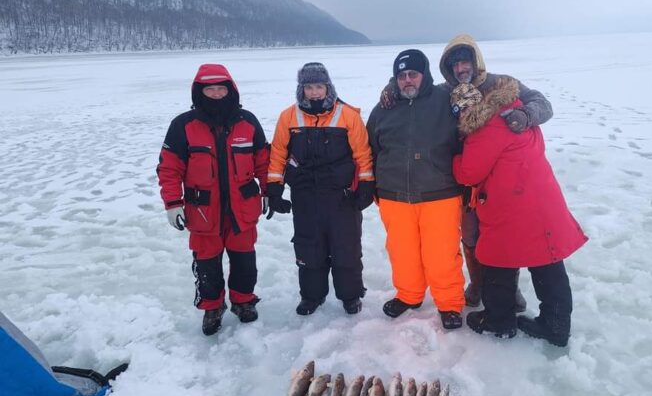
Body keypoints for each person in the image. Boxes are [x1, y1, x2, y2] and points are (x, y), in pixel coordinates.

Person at [381, 34, 553, 311]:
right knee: (470, 236)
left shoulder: (502, 84)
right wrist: (391, 87)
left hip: (502, 177)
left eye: (465, 62)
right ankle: (478, 284)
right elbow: (415, 88)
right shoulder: (445, 91)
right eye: (454, 65)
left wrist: (526, 116)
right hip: (463, 177)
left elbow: (543, 104)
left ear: (476, 60)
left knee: (503, 235)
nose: (460, 69)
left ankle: (510, 294)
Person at [451, 78, 588, 346]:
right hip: (542, 201)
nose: (463, 115)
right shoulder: (514, 112)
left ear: (476, 107)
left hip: (511, 208)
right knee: (547, 261)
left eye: (464, 110)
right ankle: (556, 325)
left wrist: (455, 157)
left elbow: (469, 172)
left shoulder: (486, 128)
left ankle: (499, 322)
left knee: (498, 262)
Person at [157, 63, 270, 336]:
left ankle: (243, 301)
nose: (217, 94)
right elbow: (169, 168)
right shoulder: (183, 125)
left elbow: (264, 162)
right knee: (207, 263)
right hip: (203, 211)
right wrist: (173, 203)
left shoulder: (248, 122)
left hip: (242, 209)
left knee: (244, 260)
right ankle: (212, 306)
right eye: (211, 89)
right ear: (200, 92)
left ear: (231, 90)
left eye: (221, 88)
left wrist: (269, 191)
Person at [367, 49, 465, 330]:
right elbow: (371, 149)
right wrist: (373, 186)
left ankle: (449, 304)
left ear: (425, 75)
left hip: (441, 192)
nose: (407, 80)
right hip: (394, 195)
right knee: (402, 251)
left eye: (413, 74)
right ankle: (409, 295)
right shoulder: (383, 108)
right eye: (401, 76)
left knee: (442, 253)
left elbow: (464, 142)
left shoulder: (446, 101)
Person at [266, 63, 375, 316]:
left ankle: (350, 295)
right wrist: (274, 188)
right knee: (308, 247)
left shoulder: (348, 115)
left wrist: (367, 185)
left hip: (342, 196)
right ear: (301, 89)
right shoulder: (288, 117)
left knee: (345, 247)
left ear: (328, 87)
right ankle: (312, 296)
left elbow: (362, 154)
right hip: (305, 196)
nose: (314, 92)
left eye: (318, 86)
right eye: (309, 87)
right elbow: (278, 154)